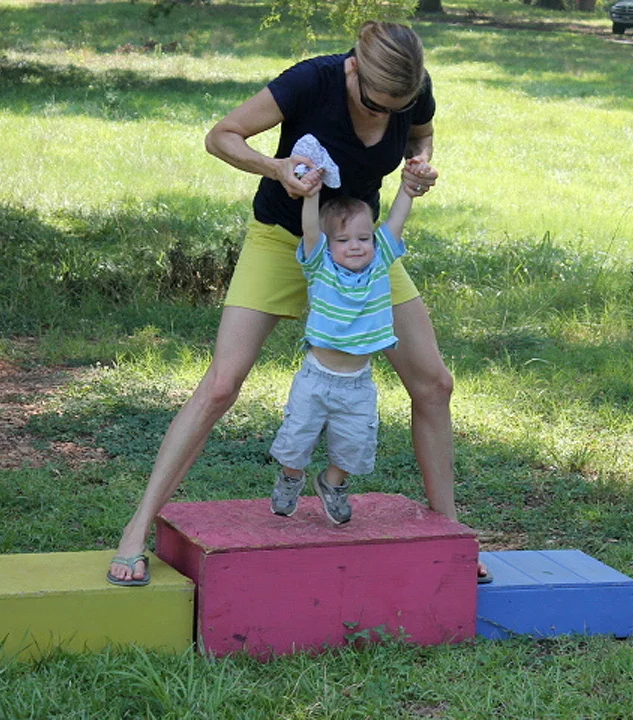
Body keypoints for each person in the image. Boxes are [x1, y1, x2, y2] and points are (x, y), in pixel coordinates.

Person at [107, 19, 490, 586]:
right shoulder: (311, 81)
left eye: (398, 105)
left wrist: (421, 163)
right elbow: (222, 135)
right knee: (220, 385)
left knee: (434, 384)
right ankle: (135, 531)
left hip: (358, 256)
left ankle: (451, 537)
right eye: (376, 103)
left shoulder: (411, 88)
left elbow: (421, 133)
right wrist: (275, 167)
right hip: (284, 238)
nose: (386, 114)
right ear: (353, 69)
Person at [269, 159, 422, 525]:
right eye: (343, 240)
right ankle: (292, 477)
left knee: (355, 446)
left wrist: (407, 187)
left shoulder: (381, 261)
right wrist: (310, 194)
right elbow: (310, 229)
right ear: (328, 243)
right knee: (296, 440)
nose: (355, 246)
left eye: (363, 238)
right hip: (316, 379)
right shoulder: (319, 263)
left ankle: (331, 482)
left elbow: (397, 220)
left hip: (358, 383)